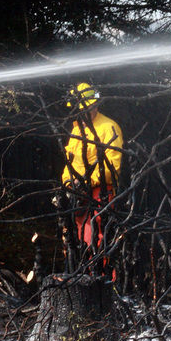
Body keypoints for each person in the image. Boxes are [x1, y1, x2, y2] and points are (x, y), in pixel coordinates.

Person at [61, 83, 123, 276]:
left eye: (91, 107)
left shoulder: (108, 127)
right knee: (78, 239)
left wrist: (88, 182)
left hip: (100, 193)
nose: (89, 111)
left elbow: (114, 166)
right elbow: (69, 163)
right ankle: (83, 282)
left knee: (98, 239)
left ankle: (103, 283)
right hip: (78, 195)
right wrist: (68, 183)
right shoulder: (77, 130)